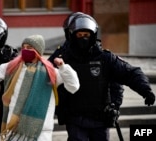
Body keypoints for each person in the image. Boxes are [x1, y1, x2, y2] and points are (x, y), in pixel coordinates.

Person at [48, 12, 155, 141]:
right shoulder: (61, 56)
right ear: (71, 35)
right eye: (79, 35)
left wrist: (146, 90)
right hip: (74, 116)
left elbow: (130, 73)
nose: (83, 38)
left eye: (86, 35)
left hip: (100, 117)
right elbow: (42, 74)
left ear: (93, 35)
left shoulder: (105, 58)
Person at [0, 34, 80, 141]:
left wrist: (63, 67)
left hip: (41, 129)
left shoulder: (49, 72)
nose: (25, 50)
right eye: (24, 48)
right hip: (15, 127)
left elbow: (73, 86)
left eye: (30, 48)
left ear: (38, 50)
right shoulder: (12, 67)